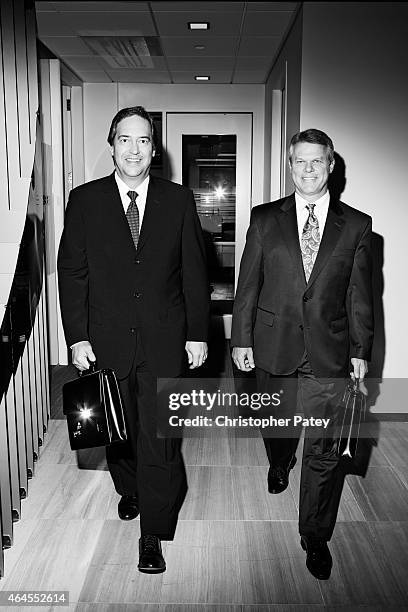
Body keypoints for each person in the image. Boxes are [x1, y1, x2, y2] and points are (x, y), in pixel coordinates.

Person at [58, 106, 209, 574]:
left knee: (160, 436)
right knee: (117, 433)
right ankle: (129, 487)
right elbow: (73, 273)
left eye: (144, 140)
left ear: (154, 148)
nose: (135, 149)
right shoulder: (84, 200)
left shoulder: (178, 199)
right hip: (106, 341)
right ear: (111, 145)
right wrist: (78, 337)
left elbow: (193, 274)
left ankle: (152, 534)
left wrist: (199, 333)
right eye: (126, 139)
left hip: (165, 338)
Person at [231, 128, 373, 580]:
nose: (307, 170)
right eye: (299, 162)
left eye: (317, 162)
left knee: (324, 449)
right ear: (289, 166)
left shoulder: (356, 225)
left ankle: (314, 535)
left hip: (328, 353)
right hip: (273, 346)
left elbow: (360, 296)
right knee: (277, 424)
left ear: (332, 166)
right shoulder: (264, 218)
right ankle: (278, 459)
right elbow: (247, 286)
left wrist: (360, 349)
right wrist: (241, 340)